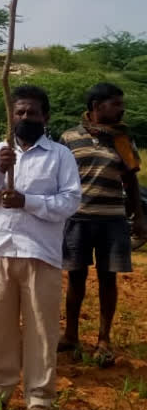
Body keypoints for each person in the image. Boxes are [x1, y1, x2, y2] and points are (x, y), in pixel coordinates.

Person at [0, 85, 81, 410]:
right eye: (19, 112)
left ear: (44, 116)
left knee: (40, 330)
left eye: (31, 112)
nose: (24, 118)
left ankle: (39, 399)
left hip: (40, 254)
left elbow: (71, 201)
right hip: (1, 252)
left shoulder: (60, 155)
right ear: (11, 116)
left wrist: (28, 202)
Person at [58, 82, 146, 366]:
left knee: (108, 279)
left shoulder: (122, 139)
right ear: (97, 106)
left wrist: (140, 217)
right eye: (116, 104)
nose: (122, 109)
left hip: (112, 220)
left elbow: (131, 180)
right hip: (77, 218)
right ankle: (71, 334)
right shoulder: (68, 138)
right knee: (76, 277)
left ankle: (103, 339)